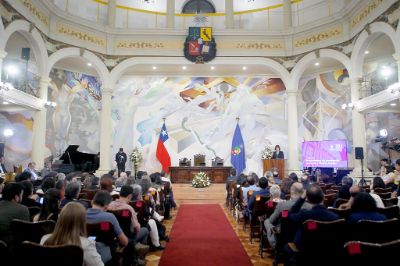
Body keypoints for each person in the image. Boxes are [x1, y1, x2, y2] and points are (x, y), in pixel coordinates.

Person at [86, 191, 144, 266]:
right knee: (129, 242)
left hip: (85, 249)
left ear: (92, 202)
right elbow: (124, 242)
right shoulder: (109, 217)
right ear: (106, 206)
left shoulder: (80, 215)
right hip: (107, 250)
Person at [264, 182, 312, 248]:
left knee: (267, 221)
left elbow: (272, 220)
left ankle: (274, 242)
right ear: (303, 191)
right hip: (304, 238)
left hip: (285, 237)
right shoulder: (310, 207)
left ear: (291, 191)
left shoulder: (282, 205)